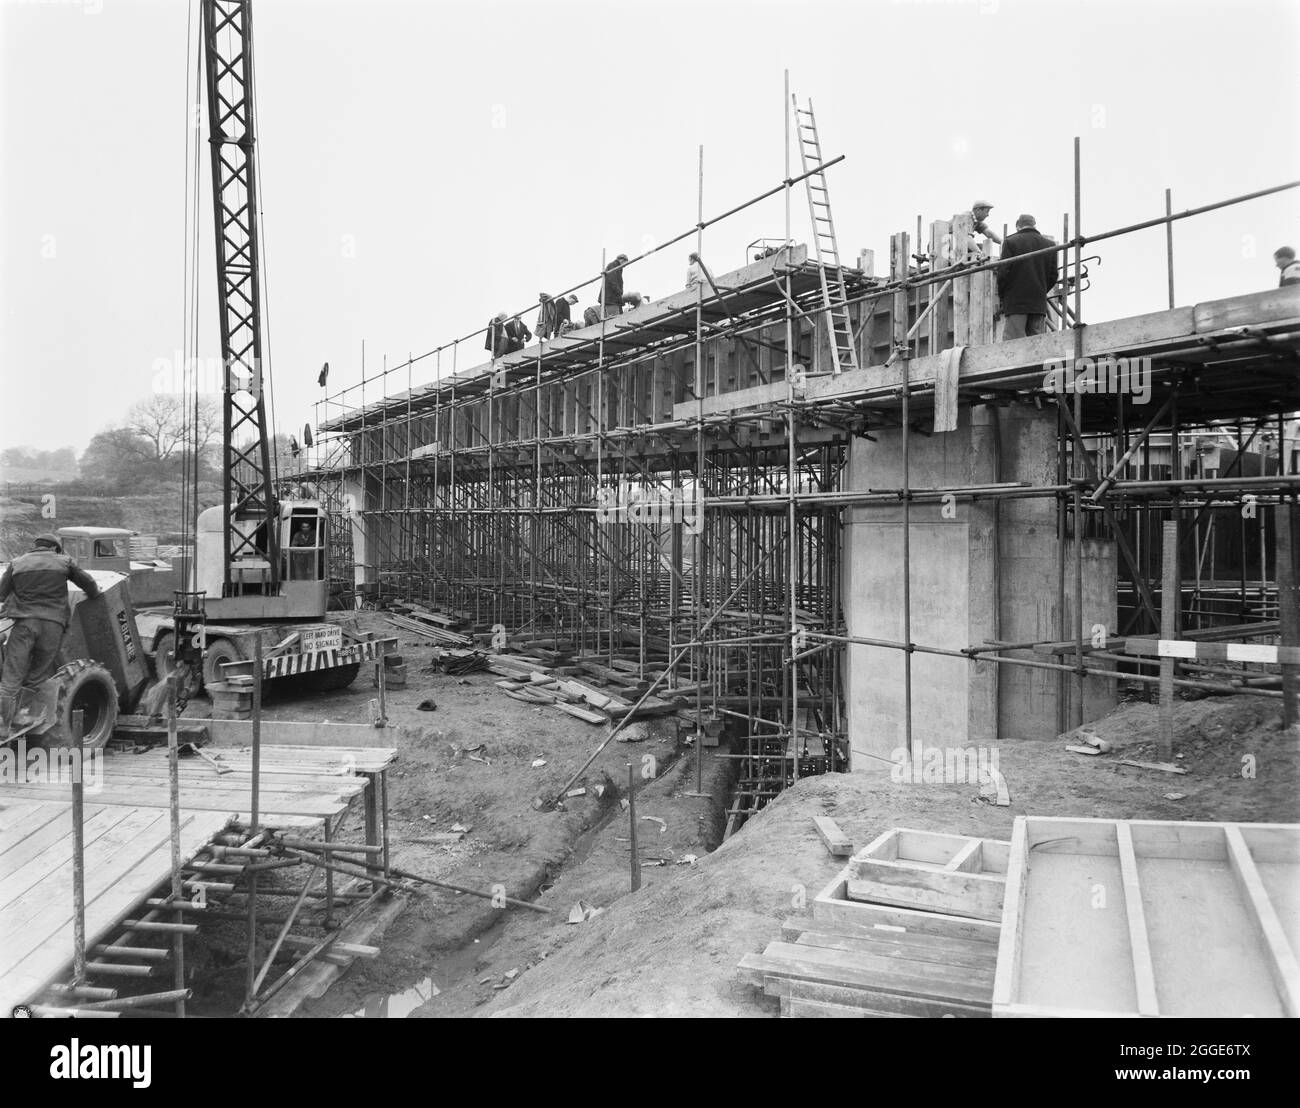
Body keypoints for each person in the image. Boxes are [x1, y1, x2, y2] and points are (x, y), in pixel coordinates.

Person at [0, 533, 101, 738]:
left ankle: (4, 725)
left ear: (35, 546)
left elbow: (1, 593)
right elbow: (88, 582)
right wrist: (94, 595)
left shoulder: (17, 563)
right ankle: (22, 712)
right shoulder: (64, 562)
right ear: (55, 548)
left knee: (11, 675)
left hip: (24, 625)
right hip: (52, 625)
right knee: (38, 672)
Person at [997, 214, 1059, 340]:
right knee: (1036, 341)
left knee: (1013, 341)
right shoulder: (1050, 244)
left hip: (1016, 301)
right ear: (1034, 225)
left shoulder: (1010, 242)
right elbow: (1053, 275)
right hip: (1038, 301)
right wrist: (1041, 290)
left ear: (1018, 226)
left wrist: (1003, 295)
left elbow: (1003, 273)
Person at [599, 253, 628, 319]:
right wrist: (619, 292)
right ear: (622, 260)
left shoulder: (617, 267)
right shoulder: (614, 265)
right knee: (614, 319)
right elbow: (613, 280)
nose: (625, 266)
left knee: (619, 317)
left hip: (613, 298)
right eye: (625, 263)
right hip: (611, 299)